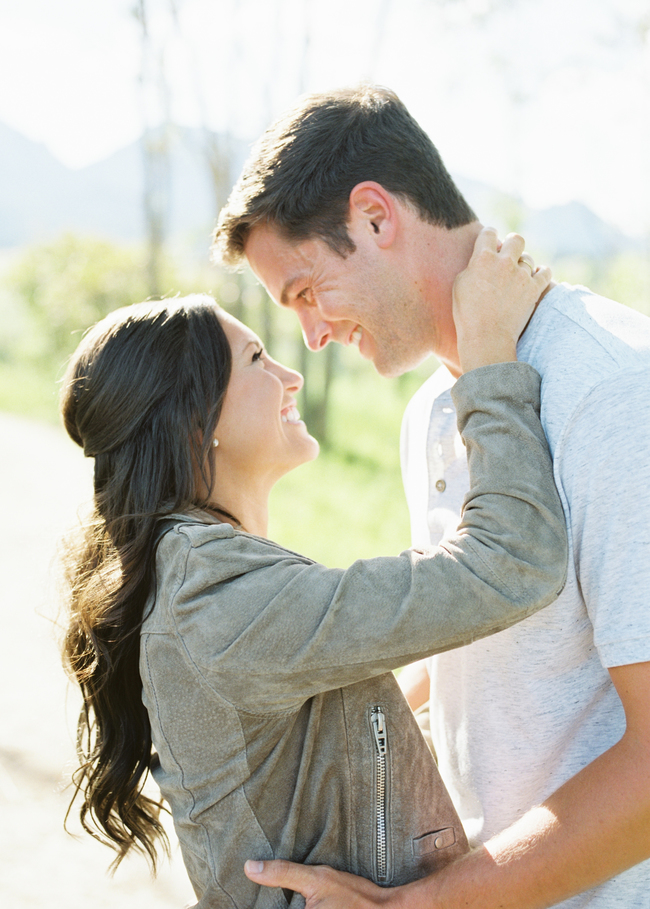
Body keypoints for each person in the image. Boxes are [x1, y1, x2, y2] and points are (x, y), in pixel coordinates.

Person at [212, 84, 650, 908]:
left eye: (307, 290)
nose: (311, 336)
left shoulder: (614, 393)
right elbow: (478, 653)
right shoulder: (430, 412)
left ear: (376, 217)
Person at [60, 246, 565, 909]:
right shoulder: (215, 595)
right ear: (194, 422)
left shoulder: (196, 575)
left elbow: (327, 716)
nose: (291, 373)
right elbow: (512, 562)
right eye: (255, 361)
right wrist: (492, 355)